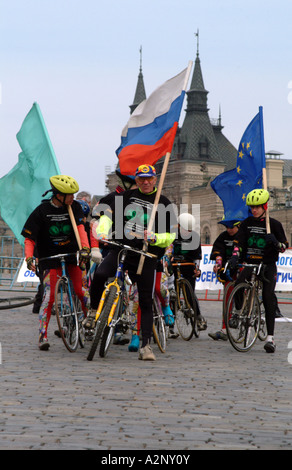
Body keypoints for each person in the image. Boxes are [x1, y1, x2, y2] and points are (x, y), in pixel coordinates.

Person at [85, 164, 177, 361]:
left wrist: (155, 238)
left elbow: (170, 236)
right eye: (141, 179)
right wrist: (102, 229)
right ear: (136, 180)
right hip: (121, 248)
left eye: (149, 179)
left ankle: (145, 345)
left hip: (146, 255)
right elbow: (107, 216)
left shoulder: (164, 202)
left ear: (155, 179)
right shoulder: (125, 198)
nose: (145, 182)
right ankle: (93, 311)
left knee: (145, 300)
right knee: (100, 274)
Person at [22, 175, 91, 351]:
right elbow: (29, 239)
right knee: (49, 296)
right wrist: (29, 257)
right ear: (58, 195)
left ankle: (89, 322)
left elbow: (81, 229)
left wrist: (85, 248)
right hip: (50, 258)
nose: (73, 198)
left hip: (72, 255)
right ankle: (42, 335)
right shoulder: (42, 211)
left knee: (80, 291)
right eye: (69, 195)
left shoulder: (74, 207)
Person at [228, 189, 288, 353]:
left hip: (268, 265)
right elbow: (238, 243)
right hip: (250, 263)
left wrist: (276, 242)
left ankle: (270, 338)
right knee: (239, 283)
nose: (254, 210)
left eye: (257, 207)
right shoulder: (246, 223)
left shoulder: (274, 224)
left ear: (264, 206)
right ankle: (238, 311)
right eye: (251, 207)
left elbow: (285, 246)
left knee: (268, 297)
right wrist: (235, 256)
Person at [171, 212, 207, 332]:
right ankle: (170, 326)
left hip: (188, 267)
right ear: (179, 226)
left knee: (190, 293)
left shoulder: (195, 236)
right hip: (175, 268)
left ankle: (198, 318)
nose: (187, 231)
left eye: (189, 229)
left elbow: (197, 257)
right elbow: (168, 250)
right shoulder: (173, 235)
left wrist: (197, 269)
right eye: (185, 229)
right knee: (173, 297)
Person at [208, 219, 240, 341]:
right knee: (227, 298)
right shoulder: (223, 237)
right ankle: (224, 329)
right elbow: (218, 252)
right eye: (227, 227)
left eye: (231, 227)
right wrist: (218, 263)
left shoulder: (242, 235)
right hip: (228, 271)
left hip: (242, 268)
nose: (229, 230)